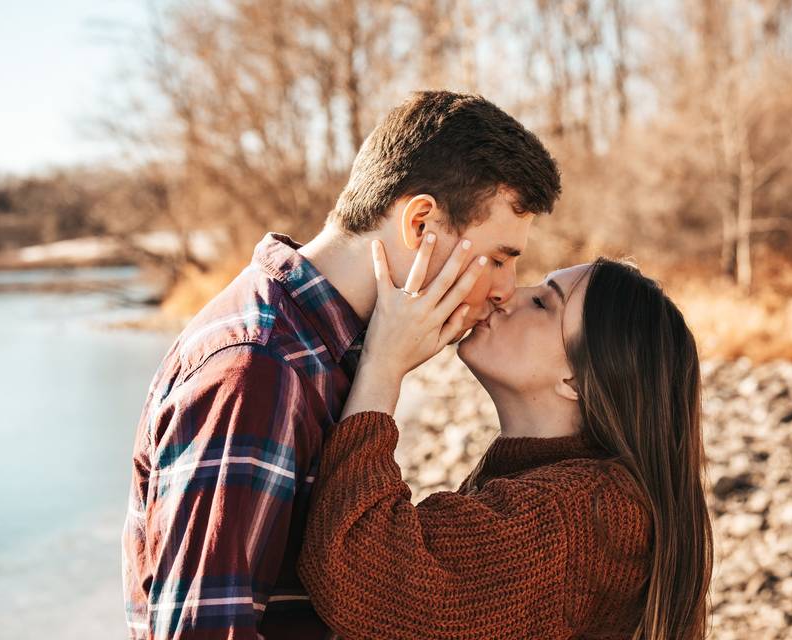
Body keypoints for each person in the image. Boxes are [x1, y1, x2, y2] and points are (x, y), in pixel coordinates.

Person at [121, 90, 561, 639]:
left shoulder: (328, 352)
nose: (503, 290)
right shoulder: (258, 368)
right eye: (497, 258)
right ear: (421, 224)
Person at [297, 240, 715, 639]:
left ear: (576, 380)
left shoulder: (577, 512)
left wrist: (383, 363)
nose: (507, 294)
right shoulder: (562, 488)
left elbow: (358, 571)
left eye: (542, 303)